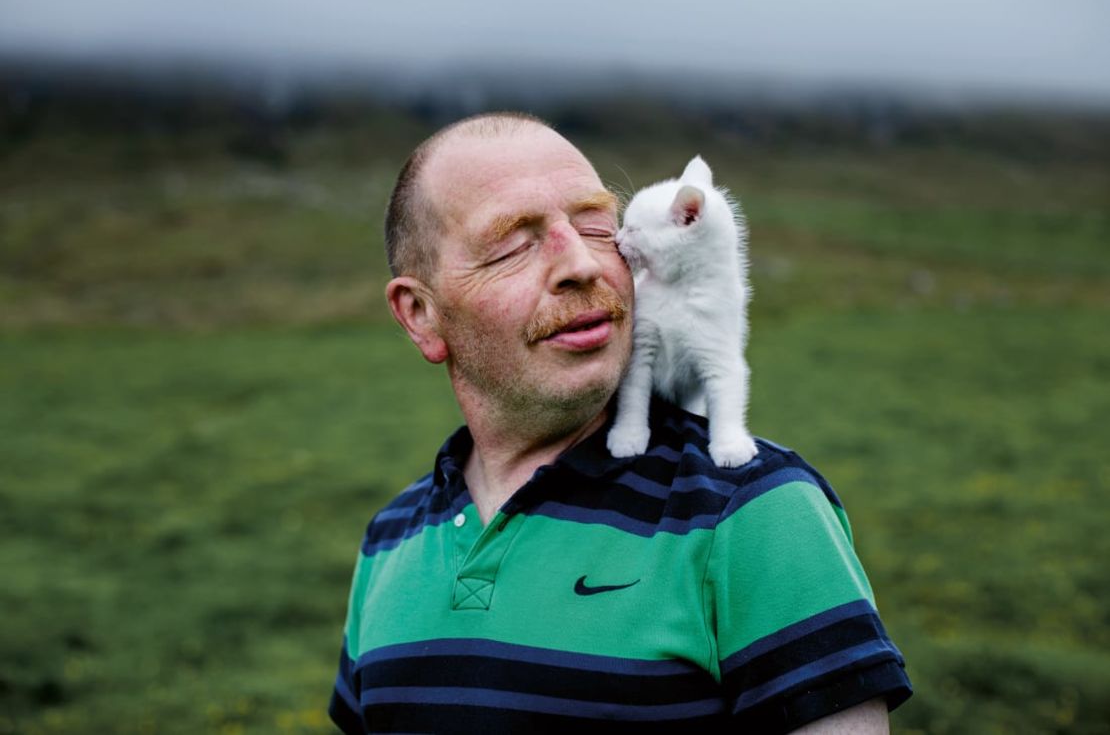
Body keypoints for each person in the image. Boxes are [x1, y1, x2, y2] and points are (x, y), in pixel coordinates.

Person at [328, 112, 912, 733]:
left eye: (595, 223)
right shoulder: (389, 539)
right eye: (511, 244)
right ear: (419, 314)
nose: (582, 263)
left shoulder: (757, 511)